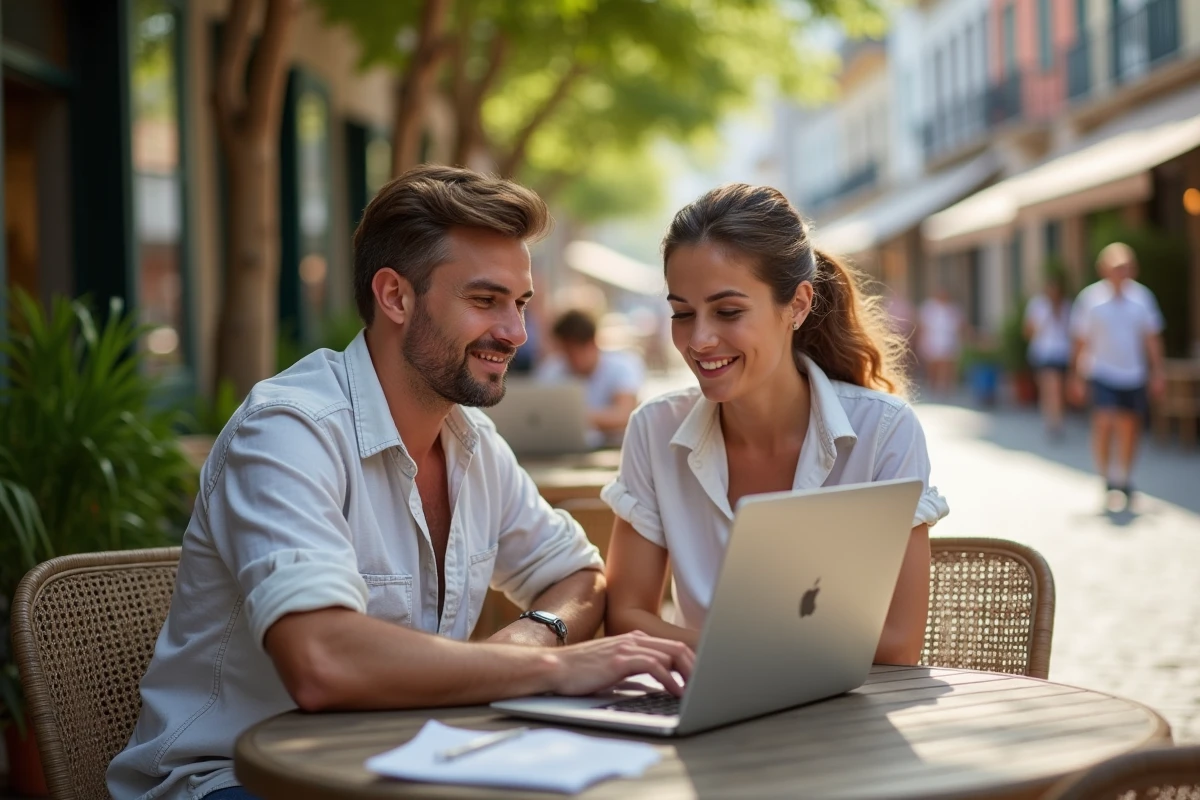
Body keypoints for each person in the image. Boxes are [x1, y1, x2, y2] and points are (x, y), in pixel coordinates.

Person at [108, 166, 692, 800]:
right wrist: (547, 667)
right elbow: (322, 661)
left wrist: (526, 645)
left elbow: (582, 576)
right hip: (232, 780)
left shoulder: (471, 440)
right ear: (395, 296)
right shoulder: (289, 430)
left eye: (519, 304)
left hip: (402, 763)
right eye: (484, 299)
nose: (516, 334)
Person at [601, 183, 949, 664]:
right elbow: (626, 616)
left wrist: (722, 654)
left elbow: (897, 642)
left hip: (844, 720)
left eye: (728, 312)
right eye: (682, 313)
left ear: (798, 305)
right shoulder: (654, 430)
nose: (699, 339)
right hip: (706, 720)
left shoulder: (883, 432)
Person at [1069, 242, 1166, 508]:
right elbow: (1080, 340)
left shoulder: (1142, 298)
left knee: (1129, 425)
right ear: (1104, 269)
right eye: (1116, 267)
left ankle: (1123, 476)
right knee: (1103, 421)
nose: (1121, 272)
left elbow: (1152, 338)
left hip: (1133, 373)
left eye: (1126, 267)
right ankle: (1106, 474)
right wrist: (1075, 376)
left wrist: (1158, 372)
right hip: (1101, 370)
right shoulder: (1090, 299)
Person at [537, 308, 645, 447]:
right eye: (564, 351)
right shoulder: (552, 368)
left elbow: (625, 415)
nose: (569, 359)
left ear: (591, 344)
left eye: (573, 351)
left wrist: (571, 417)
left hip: (614, 448)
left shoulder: (623, 365)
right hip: (565, 447)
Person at [1024, 272, 1073, 439]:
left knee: (1058, 389)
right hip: (1043, 352)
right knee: (1050, 387)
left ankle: (1056, 419)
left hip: (1062, 352)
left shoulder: (1066, 306)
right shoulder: (1038, 306)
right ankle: (1052, 421)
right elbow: (1028, 331)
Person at [916, 287, 965, 397]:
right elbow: (922, 326)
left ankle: (946, 388)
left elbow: (960, 326)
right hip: (933, 340)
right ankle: (933, 386)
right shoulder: (929, 308)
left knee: (947, 365)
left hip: (948, 340)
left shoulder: (953, 309)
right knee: (933, 365)